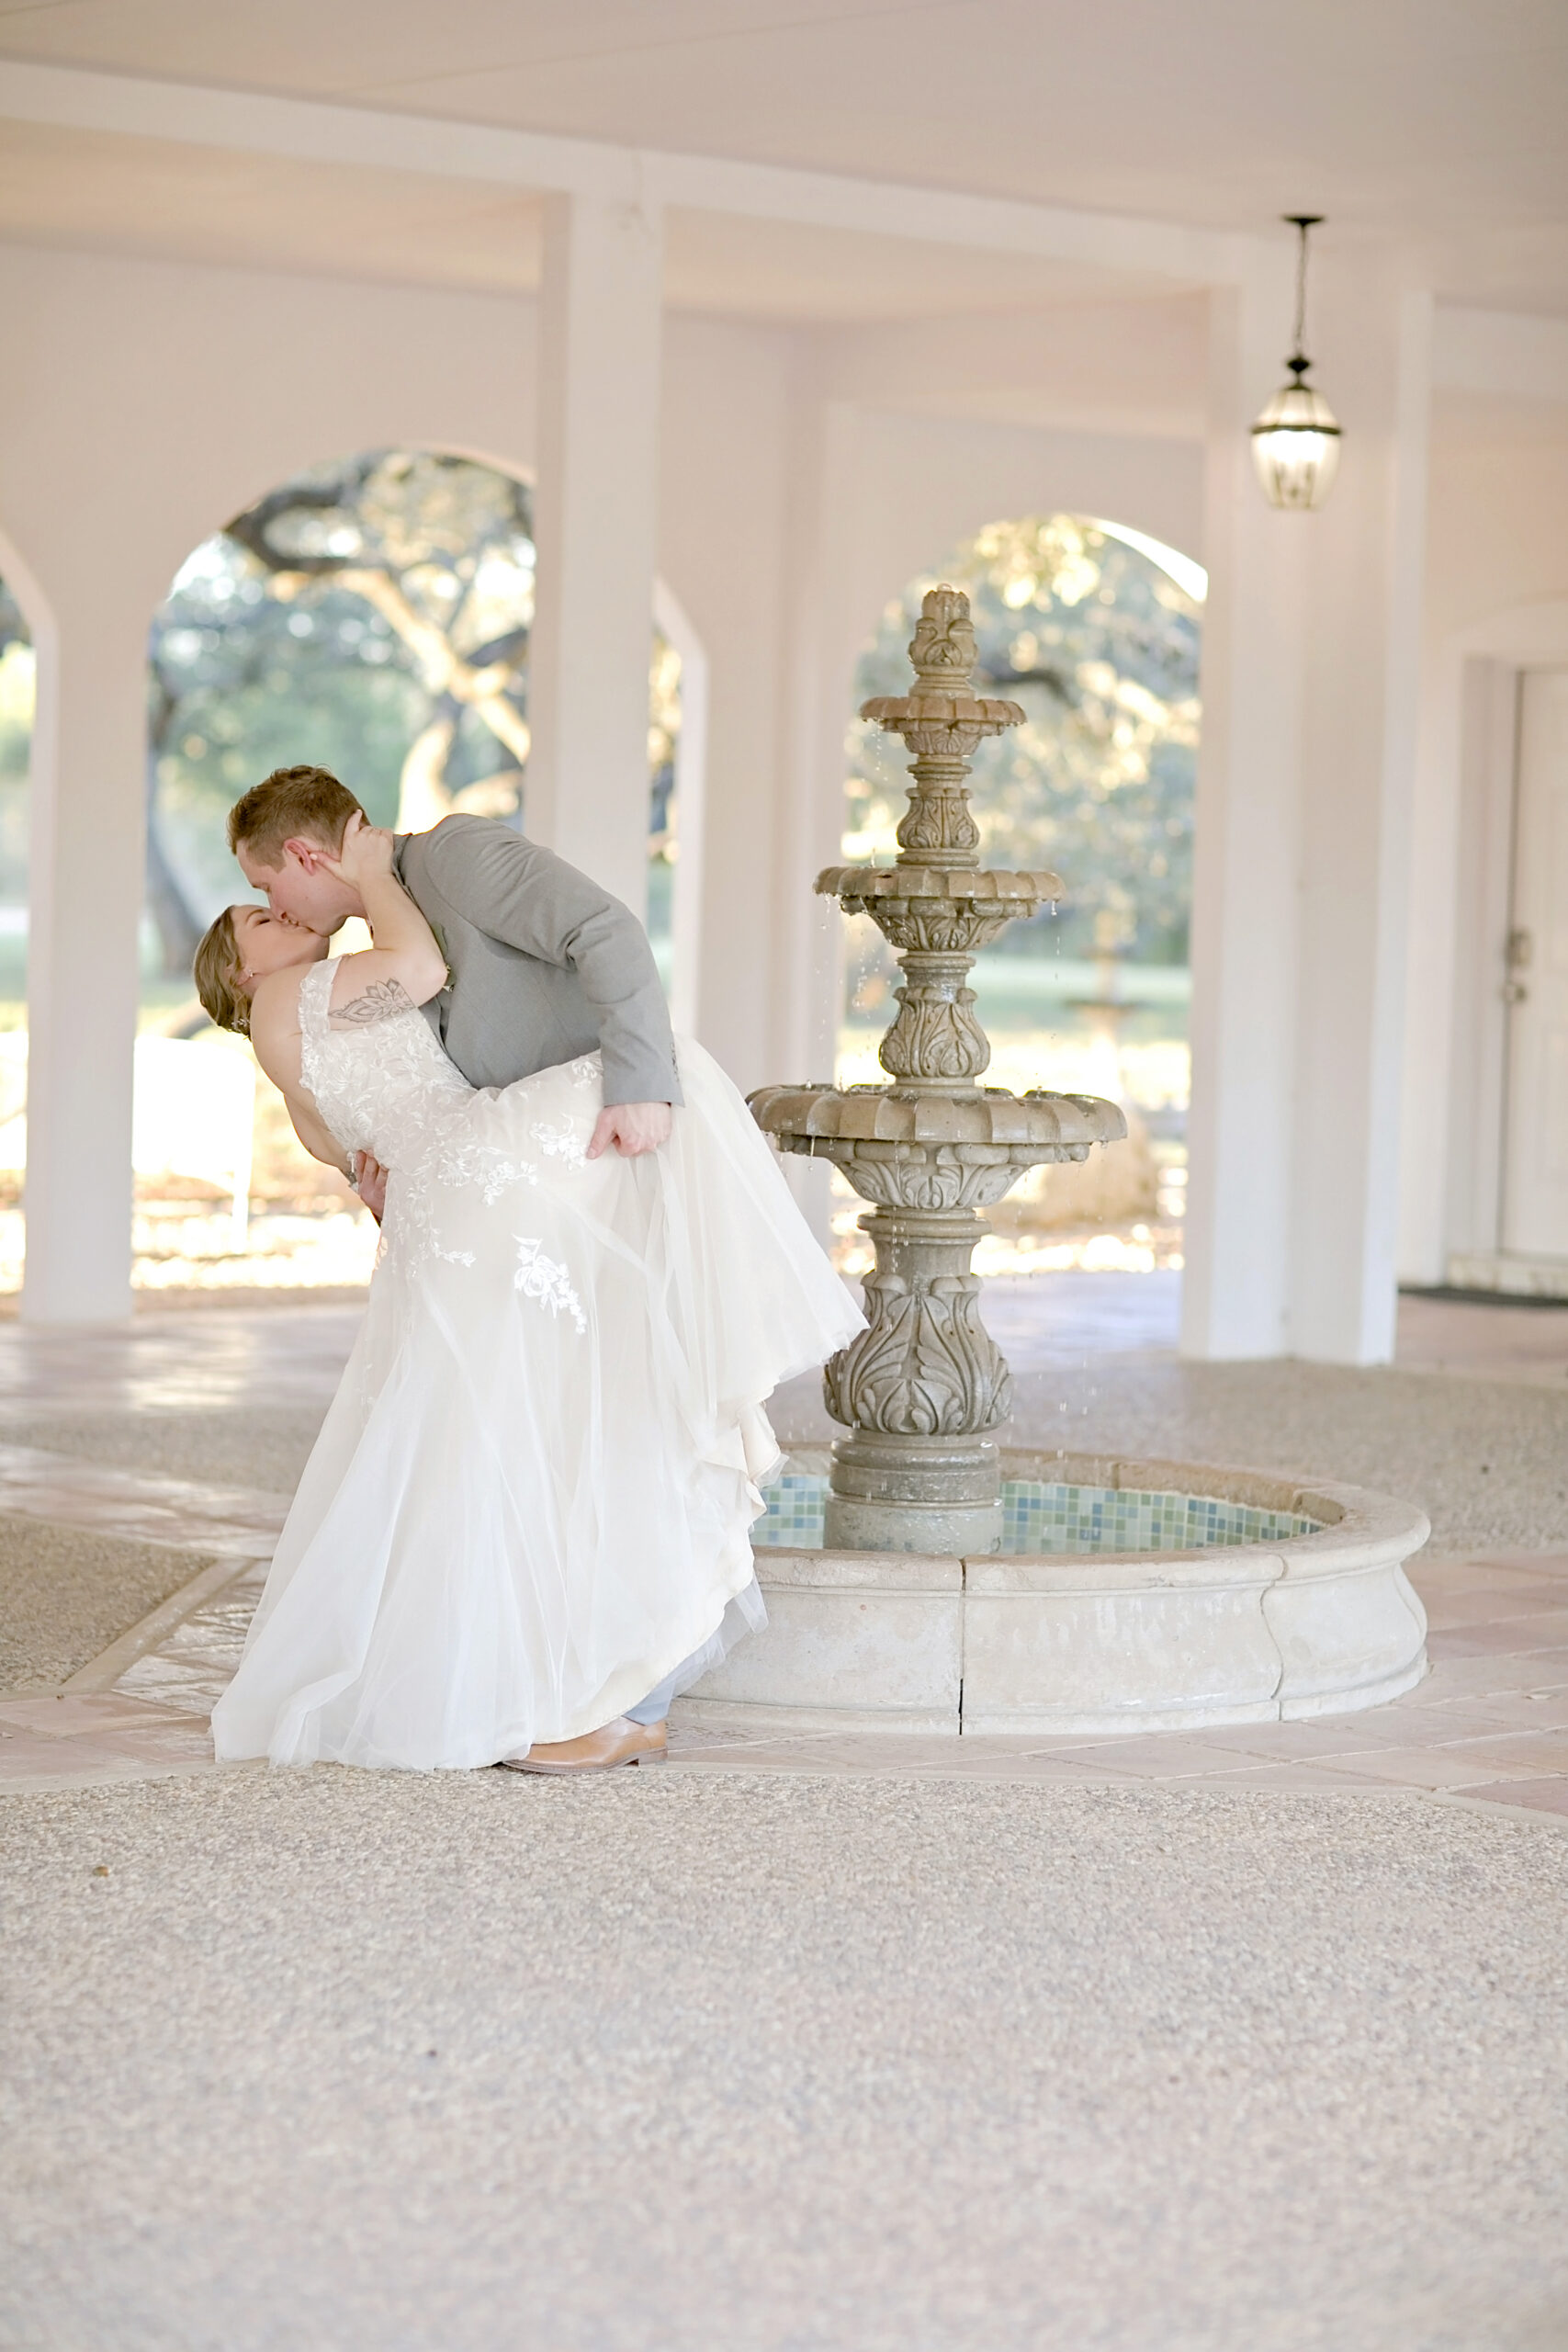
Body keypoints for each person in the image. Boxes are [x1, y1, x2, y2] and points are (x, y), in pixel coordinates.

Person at [195, 779, 861, 1775]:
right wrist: (375, 871)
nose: (278, 911)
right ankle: (560, 1692)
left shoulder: (434, 878)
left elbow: (368, 1162)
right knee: (563, 1418)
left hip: (486, 1191)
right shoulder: (308, 988)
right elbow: (419, 978)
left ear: (302, 856)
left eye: (264, 888)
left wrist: (636, 1082)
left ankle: (570, 1687)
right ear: (239, 977)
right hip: (496, 1175)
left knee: (535, 1430)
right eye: (258, 913)